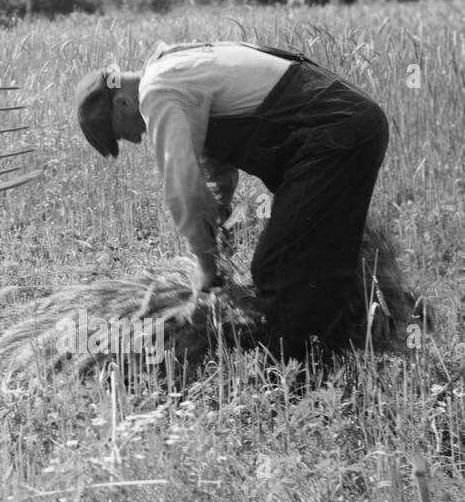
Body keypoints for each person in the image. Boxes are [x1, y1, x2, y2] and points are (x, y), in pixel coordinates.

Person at [74, 41, 389, 362]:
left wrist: (205, 264)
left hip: (334, 135)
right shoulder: (176, 66)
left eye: (123, 134)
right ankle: (326, 356)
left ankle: (296, 377)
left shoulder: (159, 90)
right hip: (343, 127)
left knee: (280, 266)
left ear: (124, 102)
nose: (137, 139)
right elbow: (215, 171)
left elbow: (183, 185)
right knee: (314, 253)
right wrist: (218, 227)